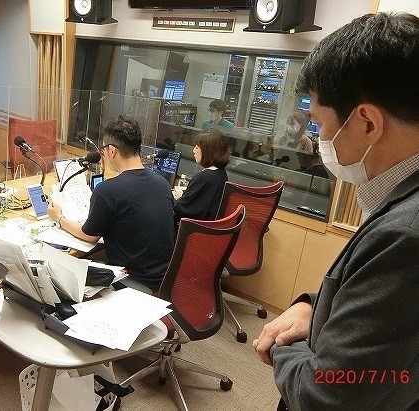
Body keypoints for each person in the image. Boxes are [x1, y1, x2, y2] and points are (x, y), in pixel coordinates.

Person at [252, 13, 419, 410]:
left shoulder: (404, 236)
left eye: (319, 124)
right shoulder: (400, 206)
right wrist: (313, 306)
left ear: (367, 123)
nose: (320, 138)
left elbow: (327, 394)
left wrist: (284, 344)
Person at [47, 115, 175, 293]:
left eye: (103, 150)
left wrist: (59, 218)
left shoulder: (108, 191)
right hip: (164, 279)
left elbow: (89, 235)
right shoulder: (162, 184)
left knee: (57, 272)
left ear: (112, 150)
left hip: (131, 282)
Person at [173, 128, 230, 224]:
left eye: (196, 148)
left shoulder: (203, 178)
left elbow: (182, 209)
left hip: (189, 228)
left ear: (207, 151)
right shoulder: (221, 173)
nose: (193, 151)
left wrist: (170, 197)